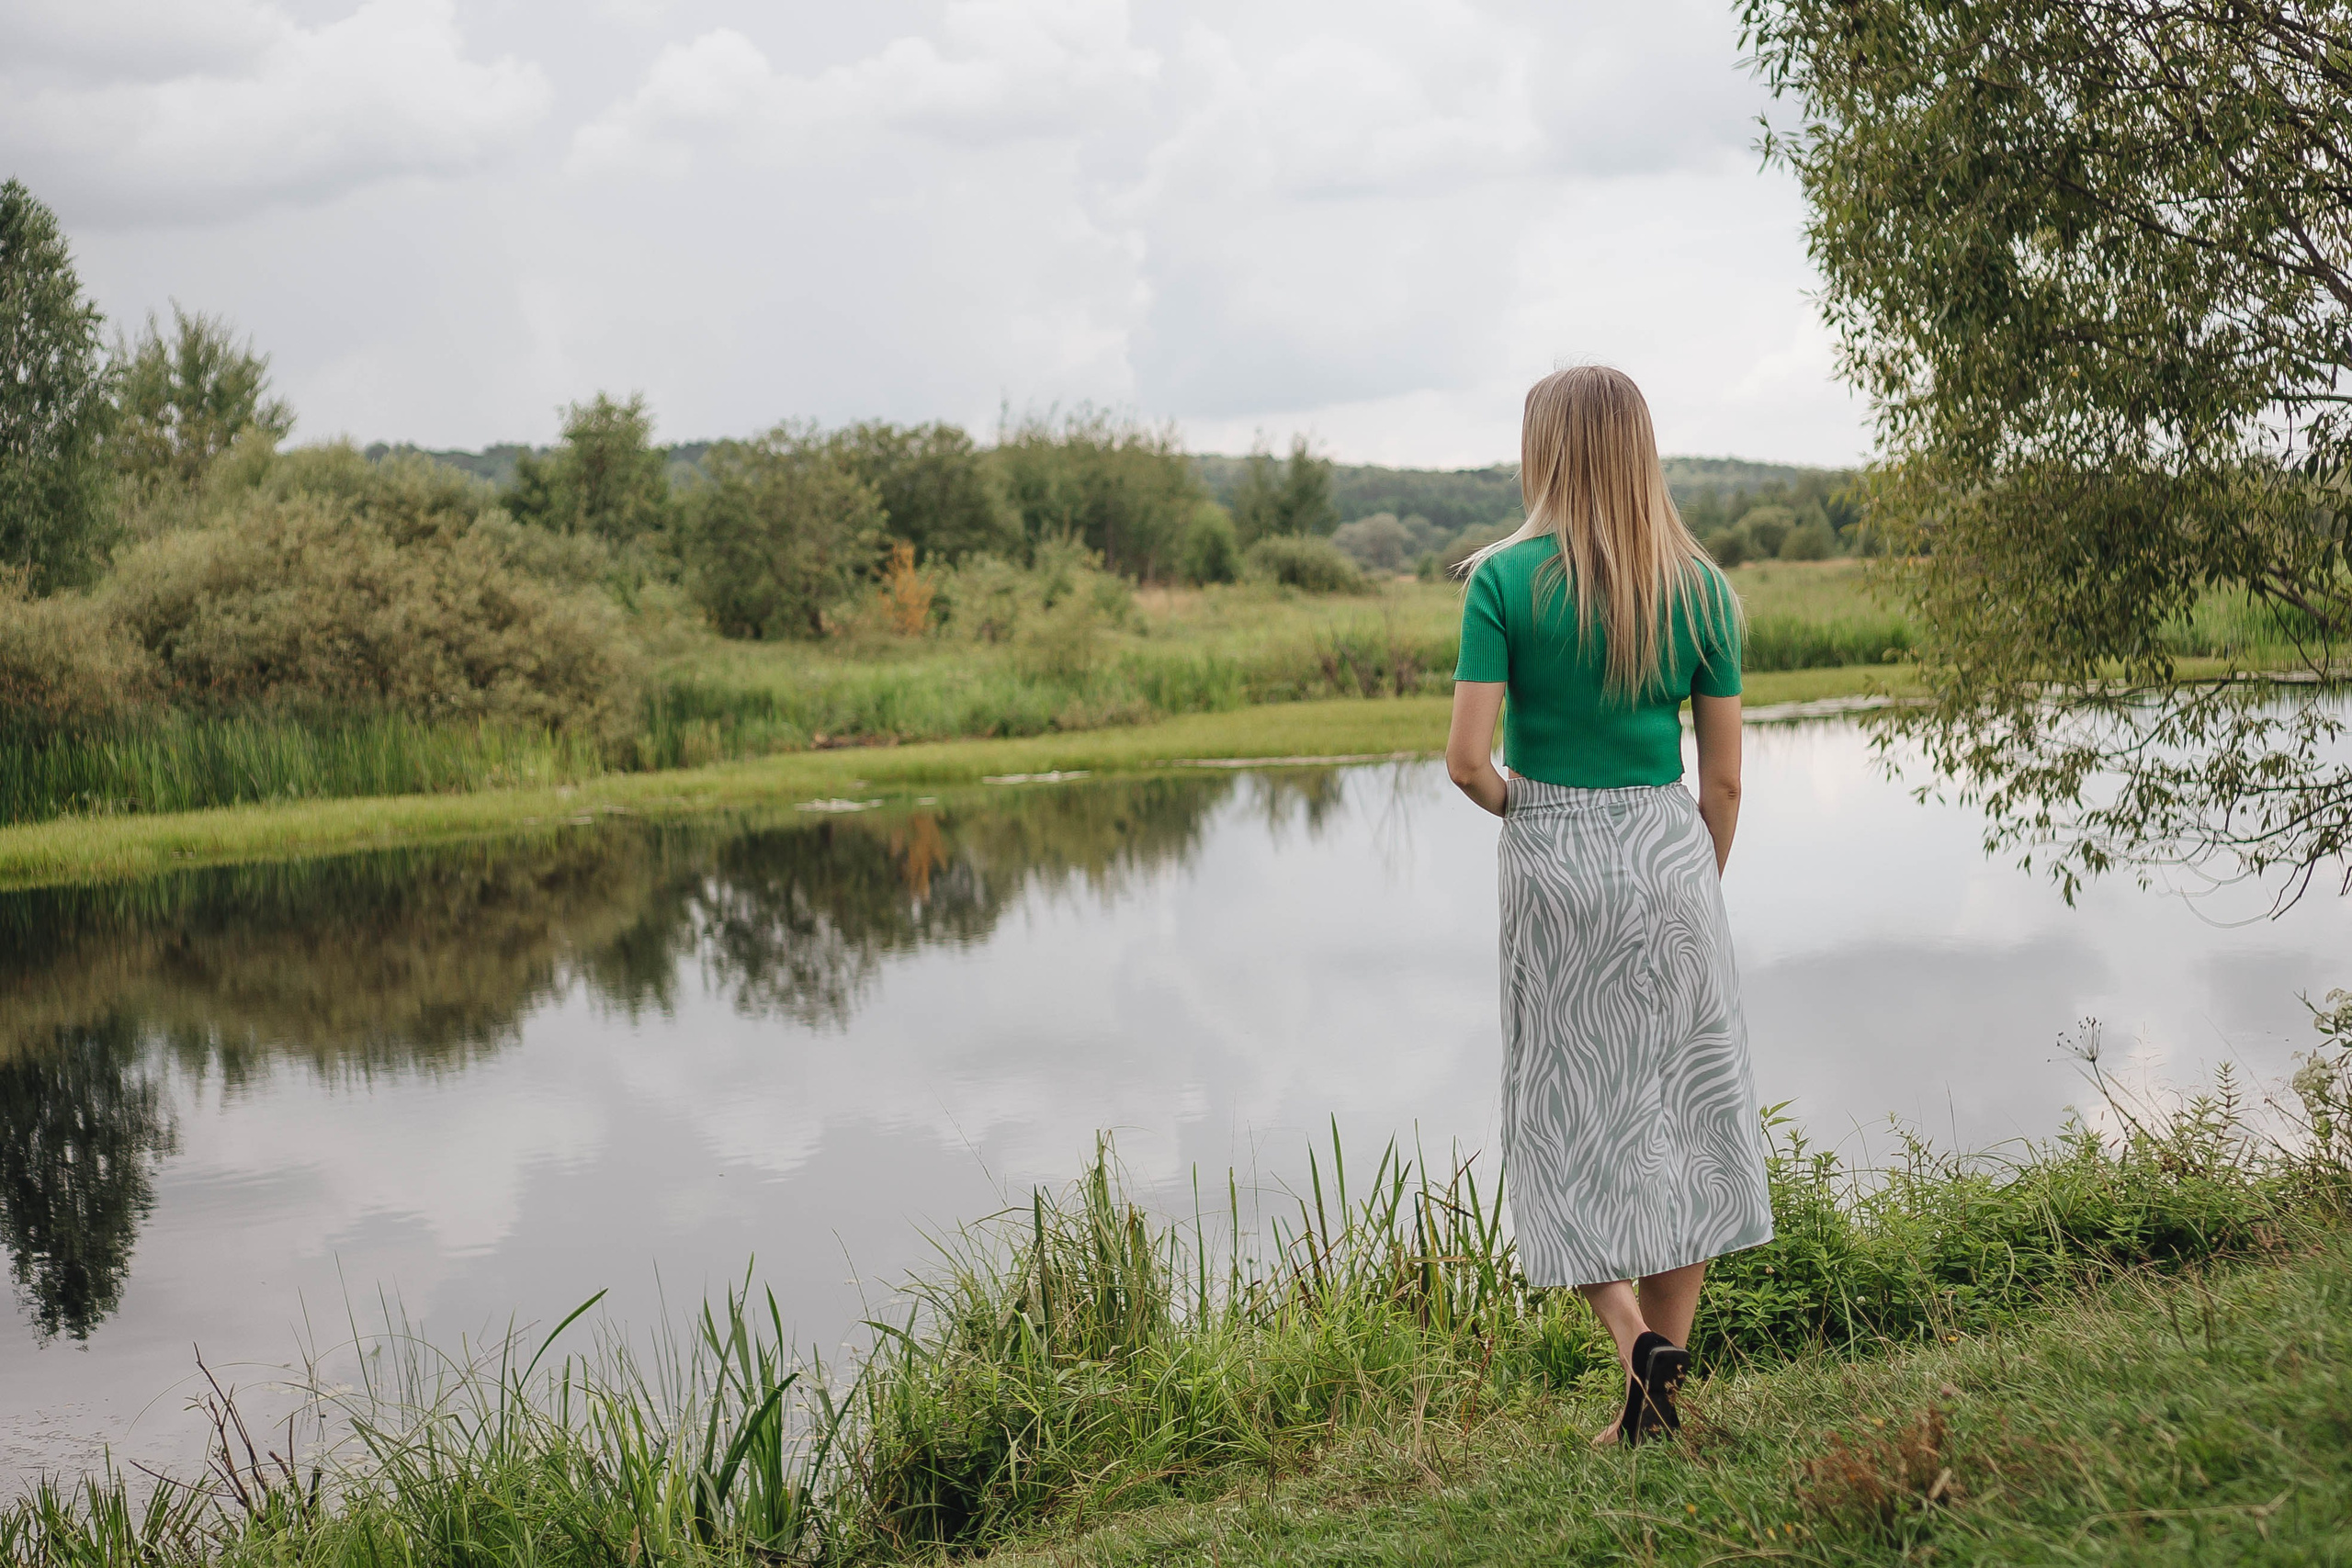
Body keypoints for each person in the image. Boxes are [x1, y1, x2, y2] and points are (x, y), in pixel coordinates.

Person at [1445, 366, 1773, 1447]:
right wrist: (1684, 877)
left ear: (1542, 450)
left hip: (1552, 863)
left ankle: (1637, 1358)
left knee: (1561, 1119)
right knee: (1686, 1118)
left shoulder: (1499, 581)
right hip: (1673, 861)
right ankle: (1654, 1388)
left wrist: (1529, 813)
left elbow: (1464, 762)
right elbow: (1722, 782)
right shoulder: (1704, 588)